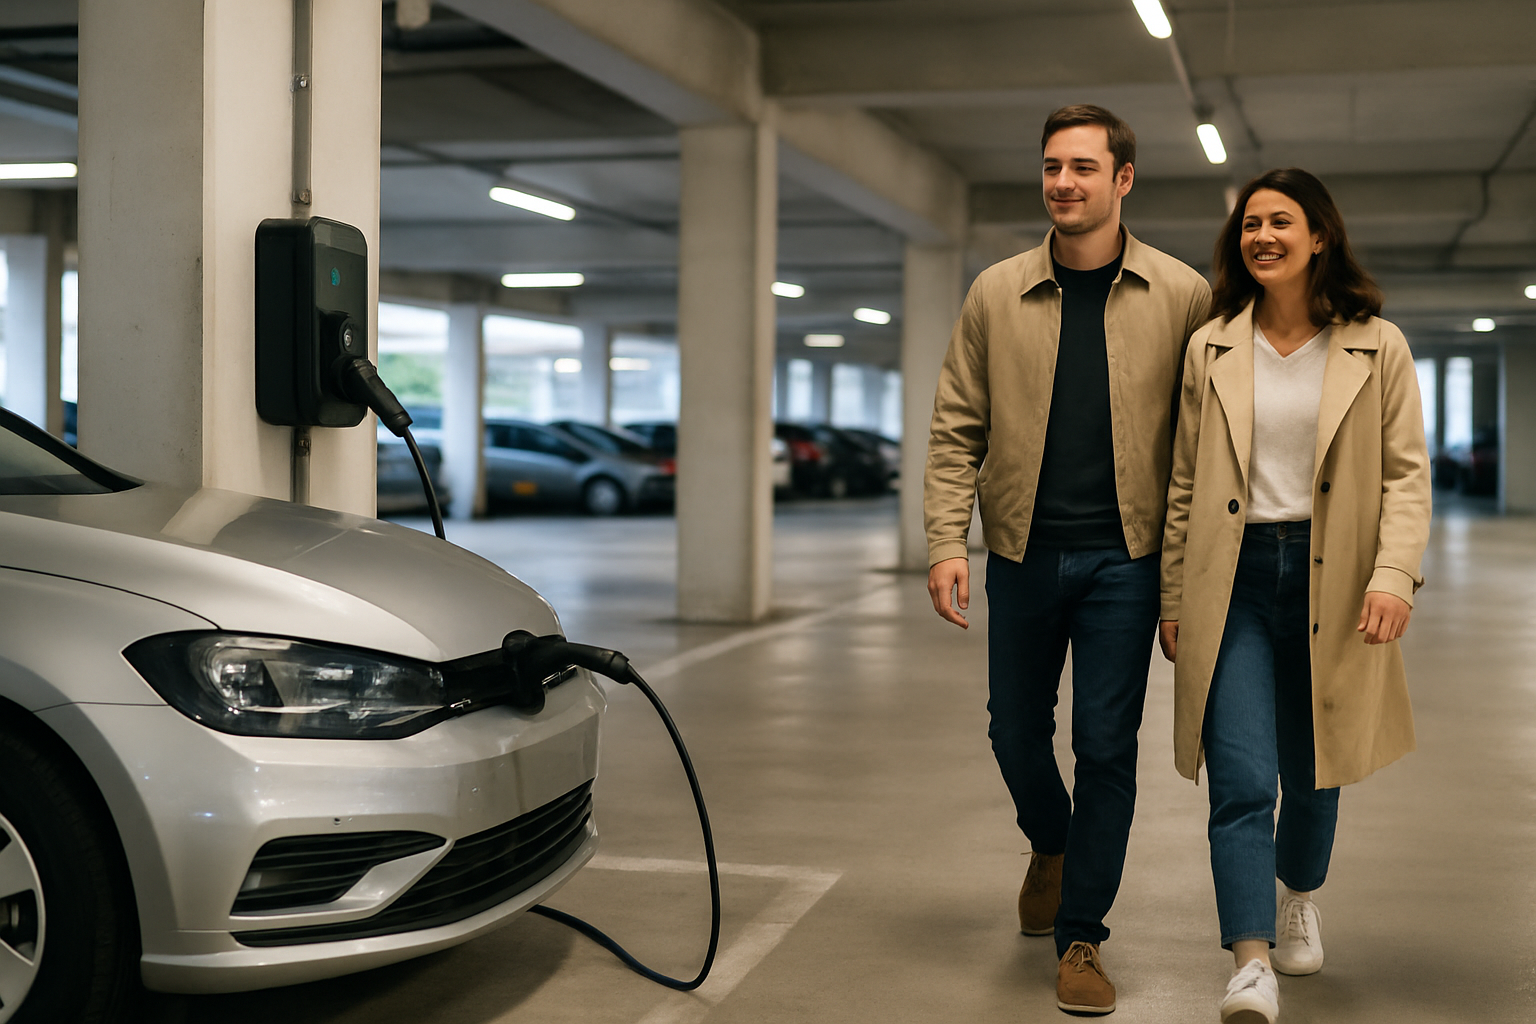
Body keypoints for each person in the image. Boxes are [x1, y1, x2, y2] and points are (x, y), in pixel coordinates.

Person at [924, 104, 1212, 1016]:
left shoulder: (1183, 295)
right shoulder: (995, 292)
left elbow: (1203, 454)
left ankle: (1081, 933)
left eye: (1084, 168)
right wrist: (944, 542)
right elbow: (954, 428)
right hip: (1020, 550)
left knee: (1106, 746)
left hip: (1126, 560)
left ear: (1124, 179)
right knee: (1014, 730)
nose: (1063, 183)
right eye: (1052, 166)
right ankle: (1050, 843)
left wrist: (1178, 586)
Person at [1158, 168, 1432, 1024]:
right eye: (1250, 225)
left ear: (1320, 237)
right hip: (1229, 579)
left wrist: (1394, 575)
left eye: (1282, 222)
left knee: (1316, 775)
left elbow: (1406, 476)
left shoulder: (1375, 344)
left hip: (1334, 577)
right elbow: (1181, 482)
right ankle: (1249, 961)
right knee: (1240, 776)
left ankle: (1298, 894)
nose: (1262, 236)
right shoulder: (1211, 346)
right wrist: (1173, 591)